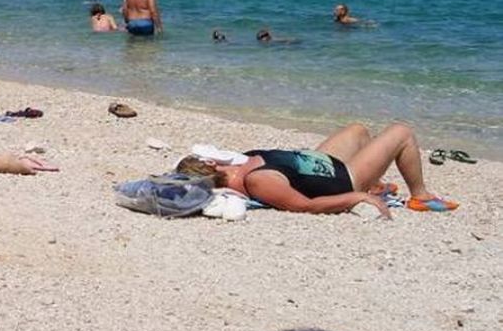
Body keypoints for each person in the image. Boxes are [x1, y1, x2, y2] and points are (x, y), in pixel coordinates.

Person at [177, 122, 458, 216]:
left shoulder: (238, 164)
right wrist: (356, 197)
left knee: (358, 130)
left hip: (320, 162)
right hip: (343, 179)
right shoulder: (258, 181)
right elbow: (307, 205)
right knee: (402, 132)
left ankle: (375, 183)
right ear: (211, 166)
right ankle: (420, 196)